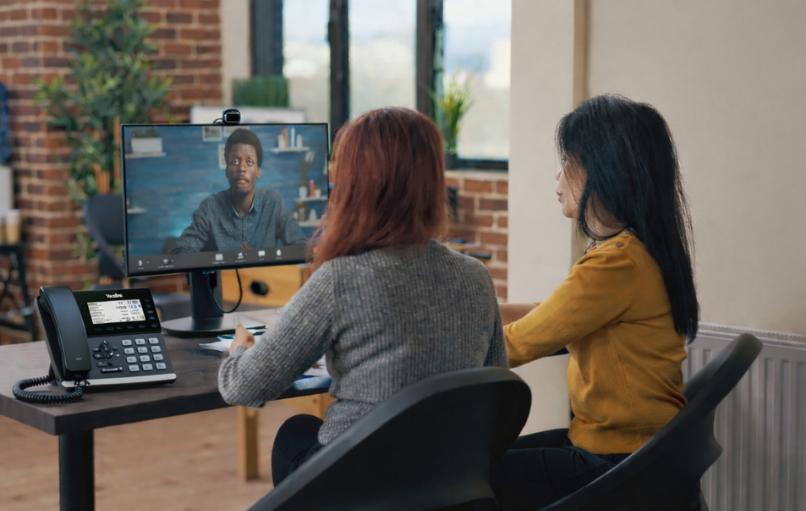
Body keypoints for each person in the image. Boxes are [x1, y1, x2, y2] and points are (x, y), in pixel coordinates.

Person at [217, 107, 506, 485]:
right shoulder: (476, 277)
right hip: (447, 482)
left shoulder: (341, 279)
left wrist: (238, 349)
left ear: (355, 186)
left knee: (295, 433)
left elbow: (242, 386)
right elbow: (496, 388)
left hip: (360, 483)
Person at [488, 95, 699, 510]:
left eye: (568, 161)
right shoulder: (639, 251)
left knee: (463, 479)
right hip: (646, 452)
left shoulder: (615, 264)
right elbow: (547, 316)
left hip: (616, 459)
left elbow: (513, 345)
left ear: (605, 171)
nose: (558, 174)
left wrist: (433, 345)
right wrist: (473, 313)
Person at [171, 128, 307, 253]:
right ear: (227, 171)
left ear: (258, 171)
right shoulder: (210, 207)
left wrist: (260, 258)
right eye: (234, 162)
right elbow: (182, 252)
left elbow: (301, 247)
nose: (242, 168)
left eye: (249, 162)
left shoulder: (273, 202)